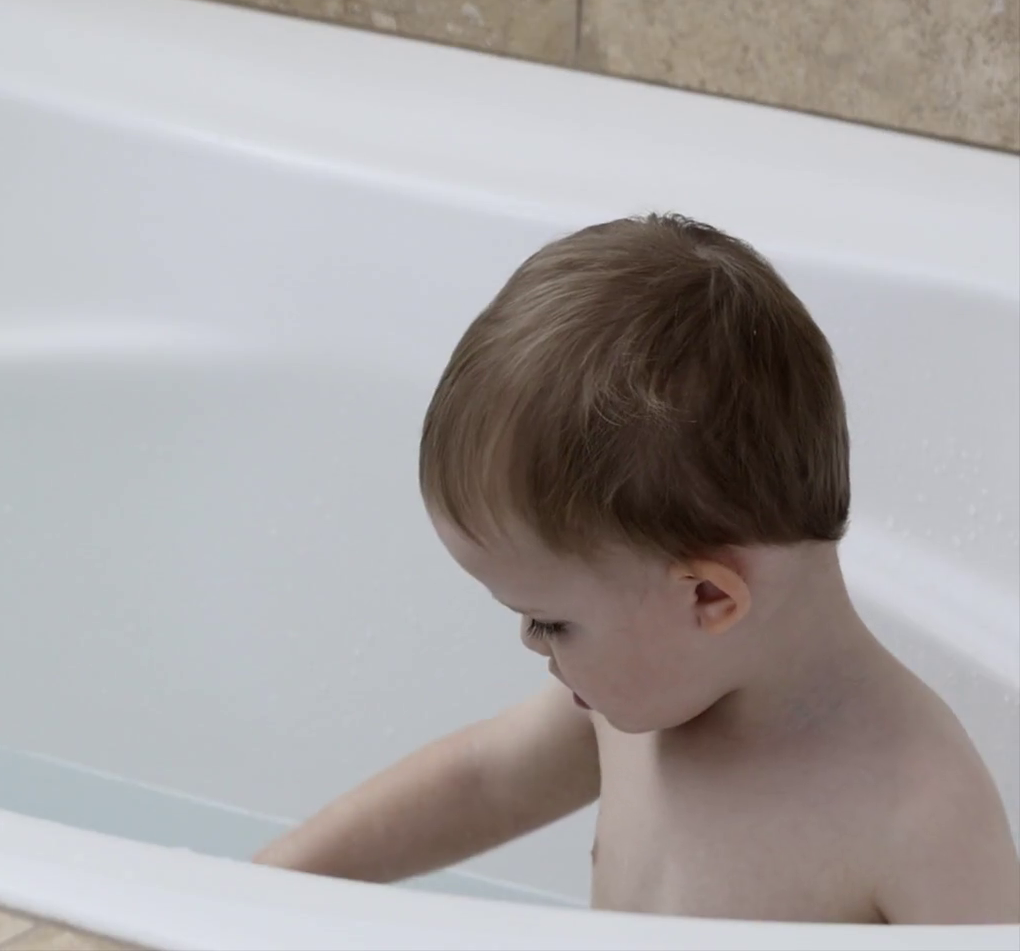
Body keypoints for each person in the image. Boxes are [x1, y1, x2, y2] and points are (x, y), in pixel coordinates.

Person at [255, 214, 1020, 923]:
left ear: (710, 597)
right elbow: (482, 783)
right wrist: (253, 887)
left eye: (552, 620)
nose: (530, 641)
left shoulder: (918, 813)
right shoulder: (641, 702)